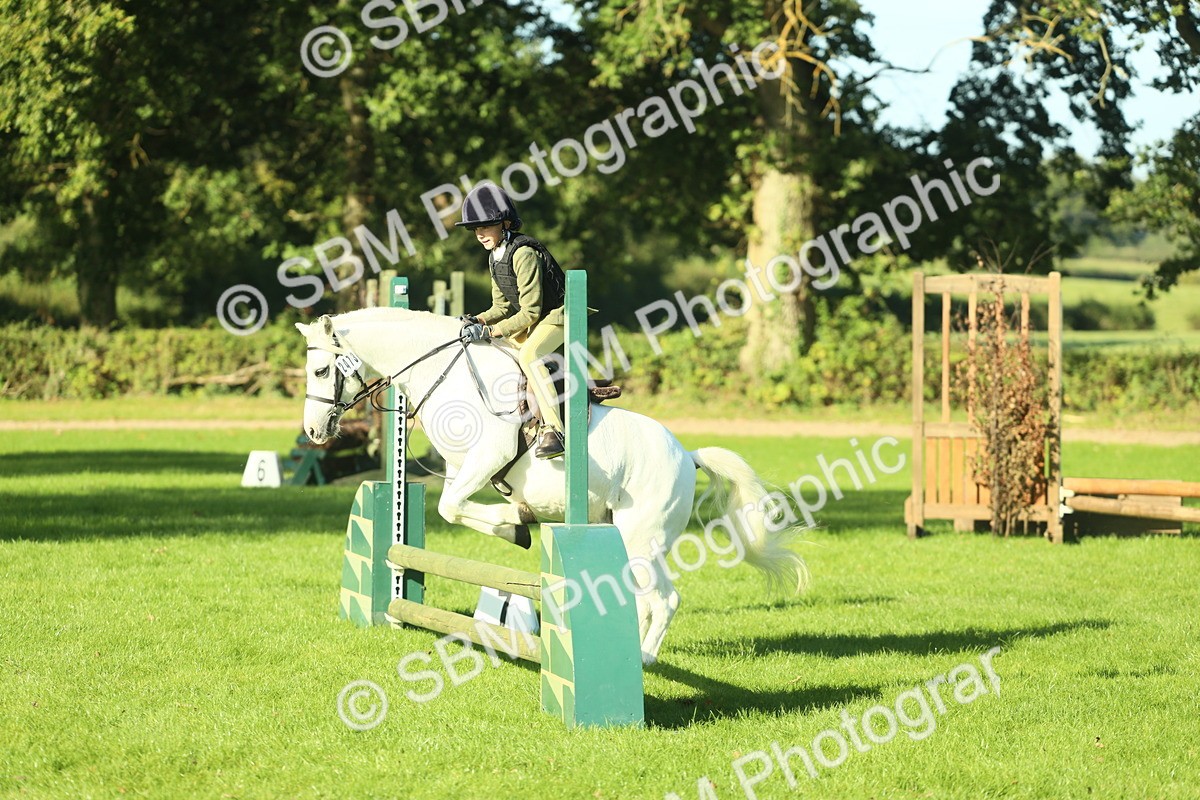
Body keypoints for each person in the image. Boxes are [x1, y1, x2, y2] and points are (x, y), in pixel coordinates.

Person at [455, 182, 567, 459]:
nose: (480, 234)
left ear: (504, 223)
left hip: (560, 316)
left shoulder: (523, 253)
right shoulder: (495, 256)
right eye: (476, 229)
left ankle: (555, 429)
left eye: (485, 227)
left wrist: (490, 330)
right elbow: (501, 306)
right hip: (537, 318)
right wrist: (476, 319)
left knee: (529, 354)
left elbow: (529, 311)